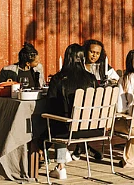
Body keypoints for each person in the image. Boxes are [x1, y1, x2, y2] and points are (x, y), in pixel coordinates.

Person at [45, 43, 98, 181]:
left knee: (54, 119)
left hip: (67, 131)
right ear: (82, 59)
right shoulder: (91, 79)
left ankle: (61, 166)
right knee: (60, 119)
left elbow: (50, 104)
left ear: (67, 58)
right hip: (91, 129)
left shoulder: (58, 79)